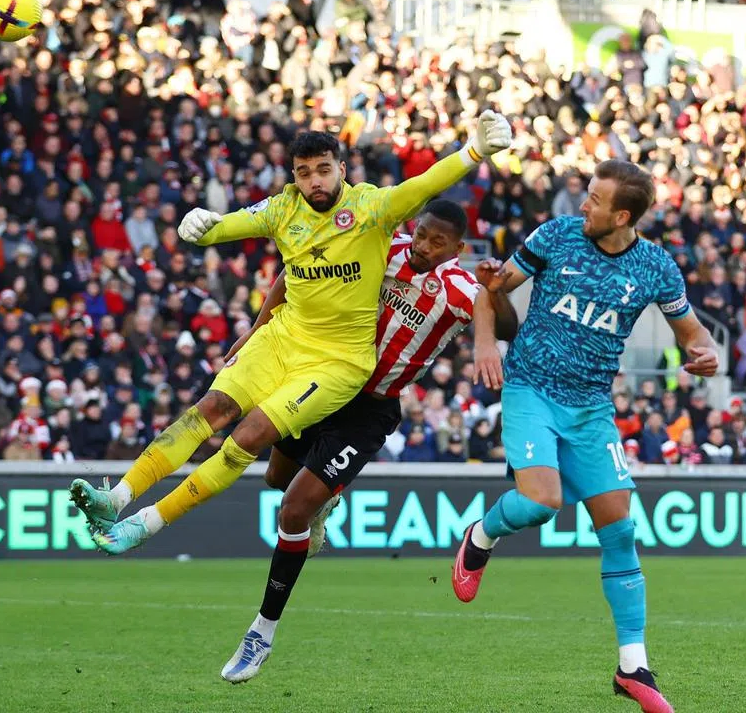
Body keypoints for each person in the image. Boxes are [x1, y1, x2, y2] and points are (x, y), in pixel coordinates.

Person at [70, 112, 513, 557]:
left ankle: (145, 525)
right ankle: (118, 498)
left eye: (323, 169)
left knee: (248, 437)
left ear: (341, 169)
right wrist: (203, 227)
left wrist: (473, 152)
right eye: (304, 173)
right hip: (283, 338)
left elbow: (425, 184)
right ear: (294, 176)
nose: (314, 181)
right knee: (210, 409)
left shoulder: (372, 209)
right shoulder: (284, 209)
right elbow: (231, 228)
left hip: (339, 362)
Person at [450, 160, 719, 713]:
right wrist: (483, 345)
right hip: (530, 388)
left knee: (620, 532)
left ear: (622, 215)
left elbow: (693, 332)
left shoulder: (655, 268)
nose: (583, 205)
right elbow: (489, 290)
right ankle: (481, 534)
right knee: (542, 503)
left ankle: (632, 667)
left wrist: (706, 353)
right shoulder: (555, 236)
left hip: (591, 409)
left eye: (595, 200)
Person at [219, 199, 518, 683]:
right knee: (276, 478)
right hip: (320, 379)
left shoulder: (462, 290)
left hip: (370, 409)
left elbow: (505, 325)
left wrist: (494, 290)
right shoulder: (382, 250)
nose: (423, 247)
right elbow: (299, 273)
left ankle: (261, 632)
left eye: (437, 243)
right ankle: (325, 501)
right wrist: (257, 333)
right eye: (421, 234)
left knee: (291, 511)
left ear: (458, 249)